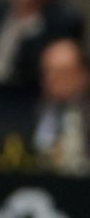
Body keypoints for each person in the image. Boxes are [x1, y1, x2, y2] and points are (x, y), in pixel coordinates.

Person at [33, 37, 90, 171]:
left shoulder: (86, 113)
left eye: (61, 73)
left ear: (83, 75)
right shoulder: (33, 109)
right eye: (48, 72)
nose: (52, 79)